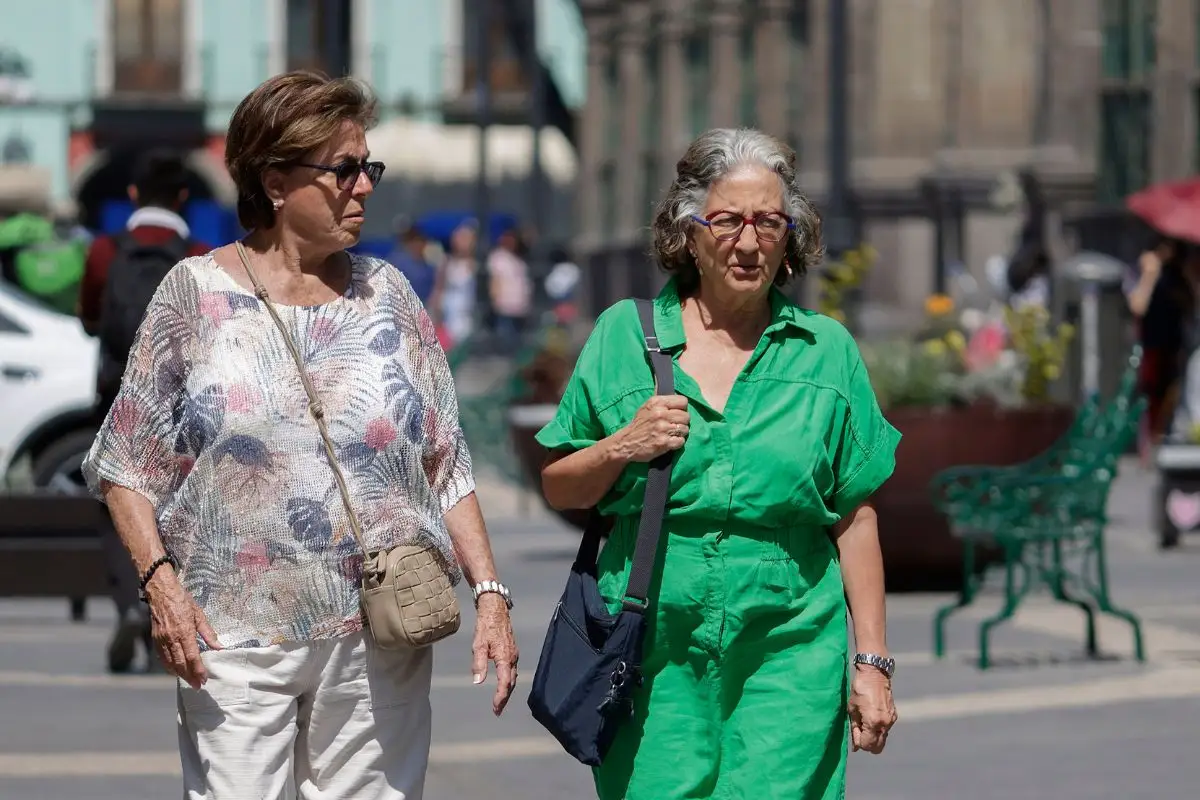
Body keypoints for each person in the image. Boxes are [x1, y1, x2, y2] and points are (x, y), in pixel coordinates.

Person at [82, 71, 518, 799]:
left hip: (382, 633)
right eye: (344, 170)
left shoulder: (392, 297)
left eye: (368, 167)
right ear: (277, 182)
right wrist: (163, 589)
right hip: (233, 633)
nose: (365, 187)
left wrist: (492, 593)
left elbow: (448, 463)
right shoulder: (194, 296)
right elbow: (124, 464)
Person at [535, 128, 900, 800]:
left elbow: (855, 513)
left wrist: (871, 662)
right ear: (689, 231)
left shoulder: (825, 351)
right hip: (651, 643)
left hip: (789, 640)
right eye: (729, 220)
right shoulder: (625, 335)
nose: (750, 241)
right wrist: (624, 446)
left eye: (770, 221)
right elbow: (559, 484)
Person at [77, 149, 210, 674]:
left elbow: (89, 318)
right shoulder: (198, 255)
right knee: (175, 504)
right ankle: (168, 613)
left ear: (132, 196)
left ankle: (128, 607)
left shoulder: (106, 252)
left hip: (117, 396)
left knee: (115, 500)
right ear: (184, 198)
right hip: (181, 404)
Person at [389, 219, 437, 306]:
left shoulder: (429, 262)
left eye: (419, 240)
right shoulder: (397, 260)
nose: (417, 244)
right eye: (412, 239)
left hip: (425, 307)